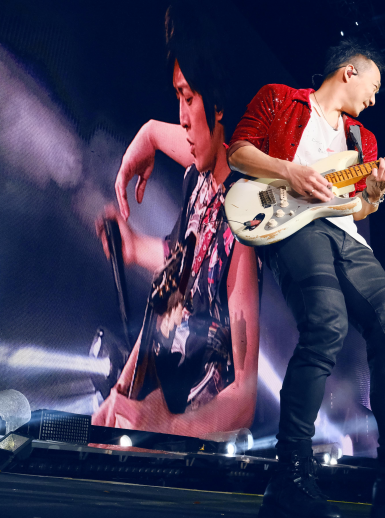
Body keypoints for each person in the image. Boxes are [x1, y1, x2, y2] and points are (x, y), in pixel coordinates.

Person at [227, 40, 385, 518]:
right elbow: (237, 152)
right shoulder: (280, 98)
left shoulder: (364, 140)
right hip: (291, 226)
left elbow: (357, 208)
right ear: (349, 73)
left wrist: (374, 192)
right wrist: (288, 170)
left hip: (345, 235)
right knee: (327, 323)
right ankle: (289, 478)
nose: (375, 99)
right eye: (373, 86)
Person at [93, 4, 261, 438]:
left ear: (218, 104)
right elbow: (174, 285)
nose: (182, 118)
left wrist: (169, 427)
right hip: (153, 415)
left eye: (188, 99)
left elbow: (244, 396)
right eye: (178, 99)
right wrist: (123, 390)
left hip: (194, 448)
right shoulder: (197, 182)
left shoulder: (244, 222)